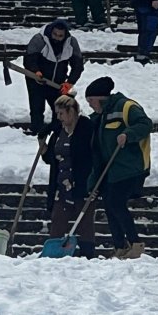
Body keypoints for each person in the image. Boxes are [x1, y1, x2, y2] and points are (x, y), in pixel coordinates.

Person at [84, 77, 153, 259]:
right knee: (109, 205)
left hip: (129, 167)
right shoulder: (100, 116)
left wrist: (127, 134)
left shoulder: (126, 107)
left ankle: (135, 243)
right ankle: (120, 246)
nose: (90, 105)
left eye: (90, 101)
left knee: (115, 203)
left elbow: (146, 124)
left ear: (100, 98)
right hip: (110, 170)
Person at [39, 95, 96, 258]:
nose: (59, 118)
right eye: (57, 114)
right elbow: (52, 158)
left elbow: (95, 156)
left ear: (72, 112)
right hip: (61, 186)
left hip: (83, 184)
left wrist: (95, 183)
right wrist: (42, 145)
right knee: (57, 219)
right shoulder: (58, 131)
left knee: (84, 223)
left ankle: (87, 256)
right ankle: (53, 255)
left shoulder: (87, 128)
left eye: (61, 113)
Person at [23, 19, 84, 135]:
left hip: (58, 82)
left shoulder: (71, 43)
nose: (57, 38)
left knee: (59, 108)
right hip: (37, 80)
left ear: (65, 35)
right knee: (37, 106)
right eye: (55, 34)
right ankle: (37, 130)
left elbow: (78, 65)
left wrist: (70, 82)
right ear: (51, 31)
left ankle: (57, 131)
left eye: (60, 36)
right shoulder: (39, 39)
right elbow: (29, 58)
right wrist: (35, 71)